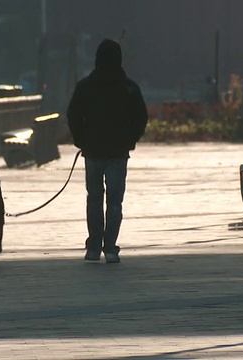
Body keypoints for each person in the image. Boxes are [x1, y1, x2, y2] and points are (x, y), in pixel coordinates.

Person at [67, 39, 148, 263]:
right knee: (114, 202)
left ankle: (93, 247)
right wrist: (130, 140)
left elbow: (73, 114)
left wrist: (80, 139)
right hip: (118, 153)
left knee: (94, 199)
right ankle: (110, 247)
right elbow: (141, 117)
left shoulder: (85, 86)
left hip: (92, 151)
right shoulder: (129, 87)